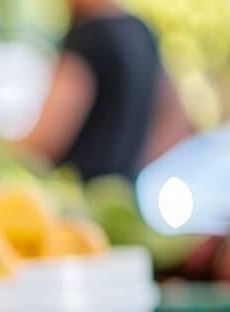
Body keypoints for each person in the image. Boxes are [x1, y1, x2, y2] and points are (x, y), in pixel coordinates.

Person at [18, 0, 192, 180]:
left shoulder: (90, 37)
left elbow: (46, 140)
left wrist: (1, 150)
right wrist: (128, 164)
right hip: (119, 196)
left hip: (74, 194)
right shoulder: (141, 31)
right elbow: (178, 122)